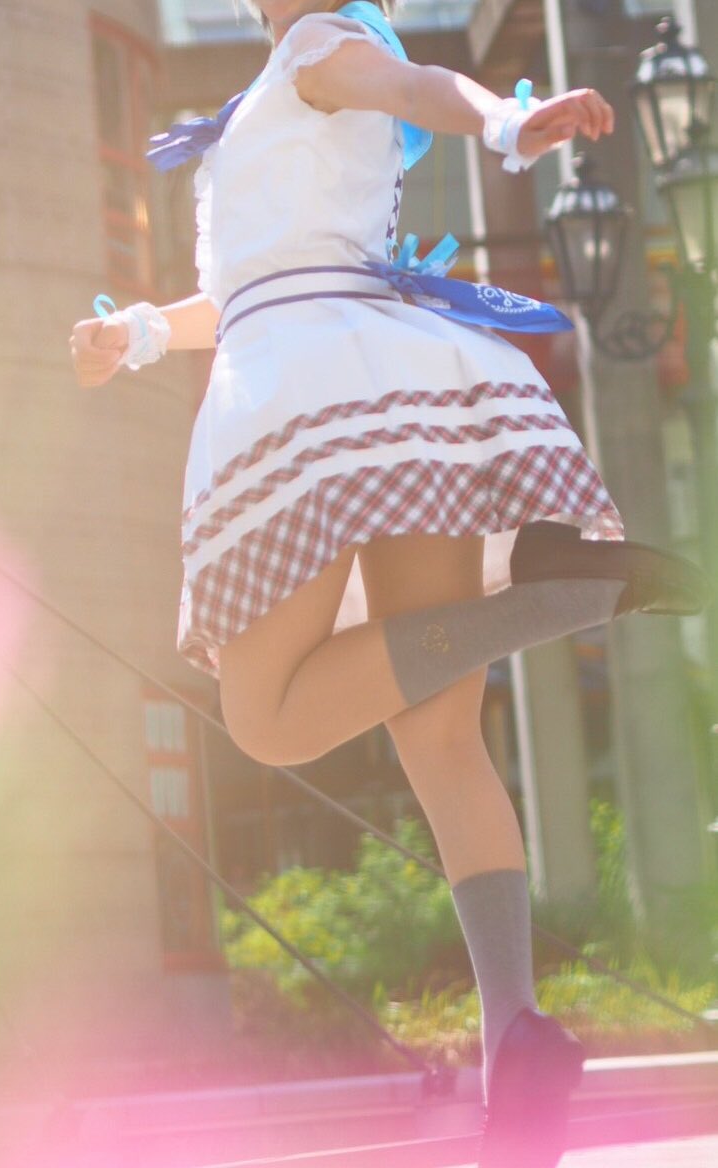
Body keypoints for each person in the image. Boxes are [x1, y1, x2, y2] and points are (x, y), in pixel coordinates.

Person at [69, 3, 708, 1165]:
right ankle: (517, 1036)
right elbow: (259, 280)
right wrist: (143, 334)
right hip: (384, 379)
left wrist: (507, 121)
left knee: (267, 716)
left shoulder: (320, 46)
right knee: (443, 742)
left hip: (308, 398)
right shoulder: (282, 87)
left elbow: (422, 93)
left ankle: (548, 602)